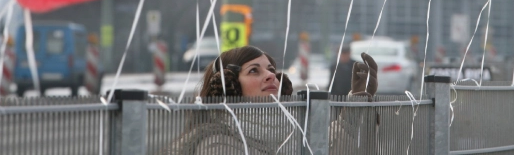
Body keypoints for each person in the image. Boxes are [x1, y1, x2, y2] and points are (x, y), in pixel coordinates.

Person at [162, 45, 378, 154]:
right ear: (230, 84)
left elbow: (327, 146)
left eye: (271, 69)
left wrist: (356, 103)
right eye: (254, 71)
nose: (270, 75)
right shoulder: (217, 144)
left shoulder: (294, 131)